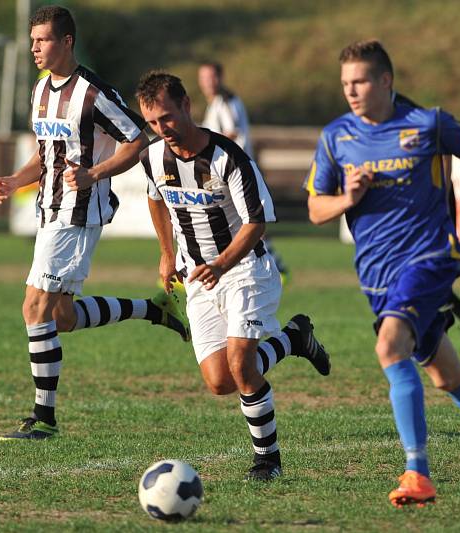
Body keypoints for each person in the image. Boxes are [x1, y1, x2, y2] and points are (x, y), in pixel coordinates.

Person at [304, 40, 460, 506]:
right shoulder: (336, 137)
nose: (351, 90)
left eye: (361, 81)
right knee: (446, 377)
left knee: (390, 347)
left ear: (386, 81)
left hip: (430, 258)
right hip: (376, 272)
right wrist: (348, 199)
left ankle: (417, 472)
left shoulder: (426, 123)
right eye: (346, 83)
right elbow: (313, 209)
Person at [0, 5, 189, 441]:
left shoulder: (94, 93)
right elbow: (46, 155)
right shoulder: (41, 90)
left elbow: (137, 141)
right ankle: (153, 309)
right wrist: (15, 181)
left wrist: (94, 174)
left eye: (42, 40)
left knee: (33, 308)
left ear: (66, 42)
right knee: (61, 317)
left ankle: (44, 418)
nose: (34, 48)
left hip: (78, 216)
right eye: (32, 40)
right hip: (48, 209)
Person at [136, 71, 331, 481]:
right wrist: (167, 253)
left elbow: (256, 222)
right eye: (152, 123)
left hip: (245, 270)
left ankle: (268, 460)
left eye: (167, 118)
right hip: (198, 277)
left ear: (187, 106)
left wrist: (222, 262)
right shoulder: (153, 157)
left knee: (242, 365)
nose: (161, 129)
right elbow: (156, 198)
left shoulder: (229, 159)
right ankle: (295, 337)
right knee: (220, 381)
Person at [394, 92, 460, 362]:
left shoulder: (423, 122)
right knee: (409, 275)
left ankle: (454, 322)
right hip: (414, 210)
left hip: (434, 206)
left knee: (416, 274)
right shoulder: (371, 125)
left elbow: (456, 155)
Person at [197, 61, 290, 283]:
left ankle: (274, 266)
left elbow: (232, 134)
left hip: (231, 171)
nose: (208, 82)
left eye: (212, 77)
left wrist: (208, 154)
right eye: (204, 78)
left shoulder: (227, 102)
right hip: (217, 171)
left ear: (221, 77)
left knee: (241, 219)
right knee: (228, 218)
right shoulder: (216, 103)